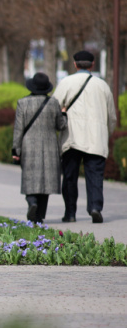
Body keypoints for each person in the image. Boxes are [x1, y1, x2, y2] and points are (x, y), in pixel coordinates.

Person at [52, 50, 117, 223]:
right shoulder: (102, 86)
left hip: (72, 137)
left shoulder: (66, 82)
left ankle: (70, 213)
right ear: (92, 65)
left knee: (70, 177)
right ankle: (95, 207)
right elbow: (112, 116)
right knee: (95, 176)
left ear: (74, 64)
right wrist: (107, 134)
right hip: (96, 138)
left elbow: (54, 108)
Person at [11, 72, 66, 224]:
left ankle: (32, 203)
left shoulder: (23, 103)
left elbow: (18, 129)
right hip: (49, 146)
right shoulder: (53, 103)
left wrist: (16, 150)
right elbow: (60, 125)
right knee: (46, 182)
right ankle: (40, 215)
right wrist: (64, 115)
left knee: (30, 180)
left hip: (29, 145)